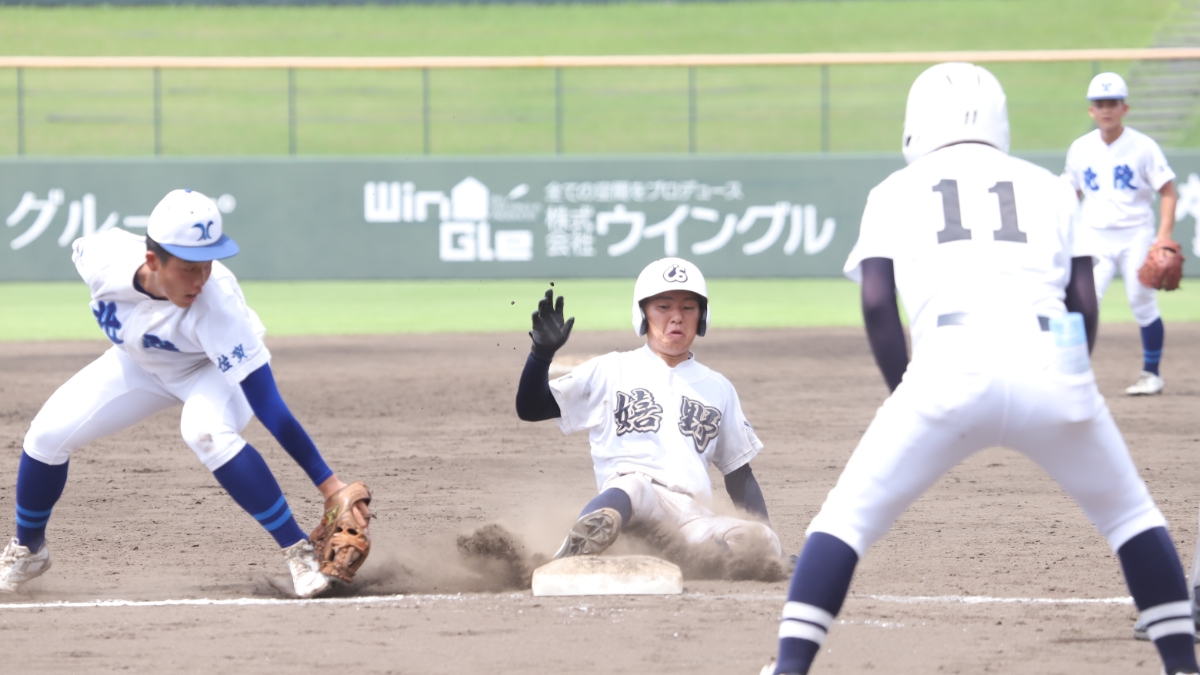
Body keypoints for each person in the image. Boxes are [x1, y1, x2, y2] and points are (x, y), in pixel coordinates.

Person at [764, 63, 1197, 675]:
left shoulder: (893, 190)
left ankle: (789, 667)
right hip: (1049, 357)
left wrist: (904, 390)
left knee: (845, 521)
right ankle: (1182, 666)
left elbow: (877, 300)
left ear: (917, 122)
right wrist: (1073, 380)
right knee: (1131, 518)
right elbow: (1084, 298)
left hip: (947, 362)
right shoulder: (1049, 186)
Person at [0, 189, 365, 598]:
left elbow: (267, 404)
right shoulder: (102, 258)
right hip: (139, 363)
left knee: (204, 431)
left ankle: (299, 552)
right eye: (189, 267)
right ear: (153, 260)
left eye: (208, 264)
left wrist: (329, 486)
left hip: (210, 370)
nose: (200, 279)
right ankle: (29, 550)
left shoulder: (218, 302)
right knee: (46, 435)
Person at [514, 258, 782, 561]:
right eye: (664, 307)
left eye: (688, 308)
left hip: (693, 519)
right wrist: (540, 356)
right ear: (642, 313)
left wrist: (771, 547)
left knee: (762, 539)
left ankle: (693, 557)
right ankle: (574, 551)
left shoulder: (718, 387)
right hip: (631, 508)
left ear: (702, 316)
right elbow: (532, 408)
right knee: (634, 485)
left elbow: (739, 475)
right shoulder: (611, 369)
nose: (677, 317)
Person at [1064, 71, 1178, 395]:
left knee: (1141, 300)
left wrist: (1163, 237)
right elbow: (1070, 194)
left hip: (1135, 234)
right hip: (1093, 236)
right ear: (1091, 110)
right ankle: (1071, 375)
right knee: (1082, 304)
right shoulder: (1080, 148)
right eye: (1099, 103)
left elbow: (1168, 191)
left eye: (1112, 102)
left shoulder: (1143, 146)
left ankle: (1151, 374)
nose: (1106, 109)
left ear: (1124, 108)